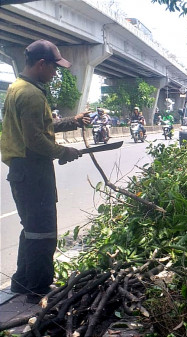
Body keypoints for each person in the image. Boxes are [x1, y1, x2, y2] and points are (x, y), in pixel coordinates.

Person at [0, 39, 90, 304]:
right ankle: (38, 290)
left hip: (23, 169)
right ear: (41, 64)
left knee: (31, 228)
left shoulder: (19, 88)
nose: (56, 72)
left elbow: (41, 126)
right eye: (54, 67)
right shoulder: (30, 94)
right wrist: (64, 152)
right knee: (43, 231)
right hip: (32, 170)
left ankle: (21, 282)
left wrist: (72, 121)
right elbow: (35, 140)